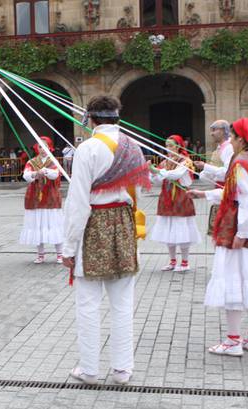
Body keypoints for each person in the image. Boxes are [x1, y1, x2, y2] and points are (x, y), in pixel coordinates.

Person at [62, 96, 150, 385]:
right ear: (117, 117)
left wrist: (68, 247)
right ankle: (123, 369)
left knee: (88, 302)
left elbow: (77, 202)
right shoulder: (132, 147)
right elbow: (138, 190)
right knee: (122, 302)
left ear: (91, 119)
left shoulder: (86, 149)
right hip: (123, 223)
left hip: (95, 224)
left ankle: (89, 369)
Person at [189, 118, 248, 356]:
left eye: (232, 137)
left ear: (242, 139)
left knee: (234, 279)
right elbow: (238, 192)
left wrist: (242, 233)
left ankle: (233, 342)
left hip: (243, 227)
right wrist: (205, 194)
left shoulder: (241, 162)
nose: (230, 141)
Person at [148, 135, 202, 272]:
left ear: (178, 147)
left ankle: (185, 262)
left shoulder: (186, 161)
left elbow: (176, 175)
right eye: (166, 145)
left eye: (171, 145)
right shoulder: (165, 162)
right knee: (168, 229)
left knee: (182, 228)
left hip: (181, 198)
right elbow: (158, 181)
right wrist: (152, 173)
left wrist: (158, 171)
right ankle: (172, 261)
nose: (167, 148)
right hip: (167, 198)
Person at [19, 137, 65, 264]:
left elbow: (56, 174)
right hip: (35, 197)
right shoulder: (32, 162)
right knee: (37, 225)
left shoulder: (53, 161)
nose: (42, 149)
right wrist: (35, 174)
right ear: (36, 148)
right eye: (40, 147)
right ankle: (40, 254)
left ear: (49, 147)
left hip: (51, 196)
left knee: (54, 224)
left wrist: (45, 171)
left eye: (45, 146)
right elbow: (26, 175)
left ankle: (60, 254)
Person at [195, 120, 234, 236]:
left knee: (226, 228)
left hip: (226, 190)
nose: (211, 133)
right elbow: (213, 174)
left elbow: (227, 172)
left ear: (222, 131)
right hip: (218, 190)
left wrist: (205, 166)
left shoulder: (229, 148)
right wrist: (202, 173)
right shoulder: (219, 148)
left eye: (214, 130)